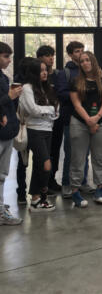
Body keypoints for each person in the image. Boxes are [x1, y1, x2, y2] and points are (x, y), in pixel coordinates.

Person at [69, 51, 102, 207]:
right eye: (82, 61)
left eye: (87, 60)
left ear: (93, 61)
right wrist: (88, 120)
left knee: (99, 158)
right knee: (78, 158)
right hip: (80, 122)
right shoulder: (75, 81)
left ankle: (100, 189)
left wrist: (96, 119)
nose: (85, 63)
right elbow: (77, 104)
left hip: (100, 122)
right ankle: (75, 191)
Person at [19, 59, 59, 212]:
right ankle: (41, 198)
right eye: (41, 70)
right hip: (34, 130)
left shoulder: (47, 87)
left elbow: (56, 109)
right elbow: (33, 110)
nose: (44, 72)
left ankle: (36, 200)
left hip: (48, 129)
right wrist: (49, 110)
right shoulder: (27, 88)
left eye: (45, 69)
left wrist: (49, 111)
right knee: (46, 165)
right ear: (34, 73)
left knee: (39, 165)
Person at [55, 41, 92, 199]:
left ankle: (82, 182)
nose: (80, 54)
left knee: (86, 153)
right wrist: (79, 94)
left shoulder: (89, 71)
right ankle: (66, 184)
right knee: (71, 153)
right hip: (71, 117)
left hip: (88, 117)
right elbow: (62, 94)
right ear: (70, 54)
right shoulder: (65, 73)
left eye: (82, 51)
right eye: (77, 51)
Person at [0, 41, 23, 225]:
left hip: (7, 131)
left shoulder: (3, 76)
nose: (8, 61)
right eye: (6, 56)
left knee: (2, 173)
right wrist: (9, 96)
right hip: (2, 131)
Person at [36, 45, 62, 193]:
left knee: (55, 150)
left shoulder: (58, 75)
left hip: (55, 119)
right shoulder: (35, 76)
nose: (51, 58)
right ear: (40, 58)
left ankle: (51, 180)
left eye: (52, 55)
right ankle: (41, 184)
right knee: (42, 154)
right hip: (39, 121)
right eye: (47, 55)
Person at [13, 57, 34, 205]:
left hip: (22, 125)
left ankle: (21, 192)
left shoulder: (16, 83)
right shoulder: (25, 86)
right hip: (29, 125)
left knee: (22, 161)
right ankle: (35, 193)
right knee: (32, 160)